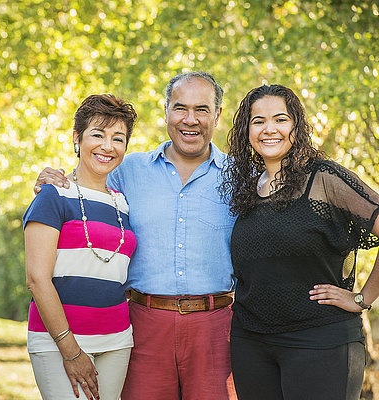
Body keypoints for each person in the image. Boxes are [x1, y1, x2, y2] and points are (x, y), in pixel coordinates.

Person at [34, 72, 238, 400]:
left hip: (216, 328)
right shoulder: (129, 170)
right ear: (166, 111)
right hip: (143, 325)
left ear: (217, 114)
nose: (190, 119)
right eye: (180, 108)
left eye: (202, 109)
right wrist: (52, 177)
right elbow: (87, 181)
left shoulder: (240, 176)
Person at [221, 84, 379, 400]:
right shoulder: (246, 187)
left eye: (280, 119)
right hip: (252, 343)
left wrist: (362, 299)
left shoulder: (324, 178)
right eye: (258, 121)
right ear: (246, 130)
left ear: (296, 126)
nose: (269, 129)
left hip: (320, 340)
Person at [23, 94, 139, 400]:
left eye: (118, 138)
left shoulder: (124, 203)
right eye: (97, 135)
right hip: (57, 342)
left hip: (116, 340)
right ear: (77, 138)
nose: (107, 146)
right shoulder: (52, 196)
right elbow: (37, 279)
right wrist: (71, 351)